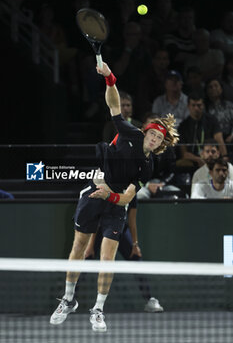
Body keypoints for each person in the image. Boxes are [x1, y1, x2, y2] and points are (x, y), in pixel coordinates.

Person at [50, 61, 179, 332]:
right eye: (152, 133)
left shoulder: (148, 165)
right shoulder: (129, 132)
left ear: (160, 145)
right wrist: (110, 78)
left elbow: (127, 198)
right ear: (146, 132)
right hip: (92, 194)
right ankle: (68, 299)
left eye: (158, 138)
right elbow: (114, 105)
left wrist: (110, 195)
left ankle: (98, 309)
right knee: (78, 249)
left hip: (113, 204)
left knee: (106, 259)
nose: (154, 139)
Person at [84, 197, 164, 313]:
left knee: (136, 260)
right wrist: (90, 246)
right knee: (84, 263)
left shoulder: (132, 193)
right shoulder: (106, 191)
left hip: (121, 229)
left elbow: (131, 219)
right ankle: (69, 300)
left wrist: (135, 244)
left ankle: (149, 300)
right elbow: (96, 220)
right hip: (101, 231)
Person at [177, 91, 227, 168]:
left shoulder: (212, 120)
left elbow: (220, 141)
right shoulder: (183, 126)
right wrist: (198, 159)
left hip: (211, 156)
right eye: (193, 105)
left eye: (199, 105)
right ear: (188, 106)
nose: (196, 108)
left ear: (203, 105)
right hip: (193, 160)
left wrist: (224, 157)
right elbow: (184, 153)